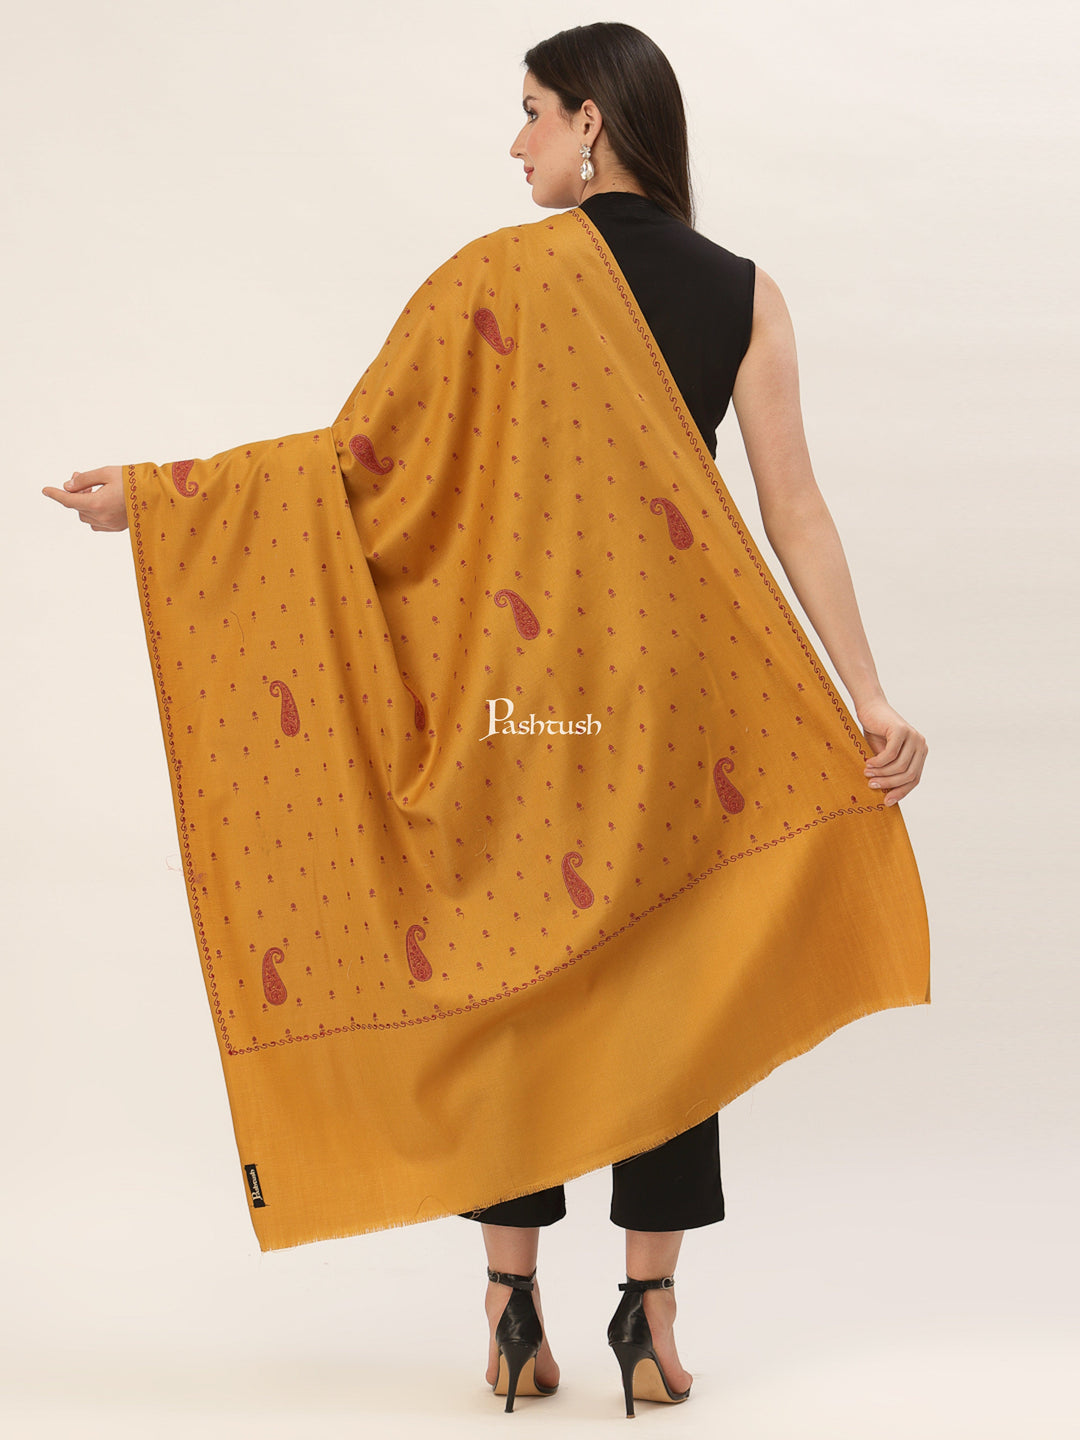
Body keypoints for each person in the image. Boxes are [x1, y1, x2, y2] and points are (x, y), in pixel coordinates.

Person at [43, 21, 927, 1420]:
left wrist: (161, 501)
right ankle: (651, 1319)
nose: (516, 144)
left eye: (530, 113)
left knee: (520, 970)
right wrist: (867, 693)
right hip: (677, 697)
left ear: (592, 123)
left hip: (524, 702)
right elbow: (794, 505)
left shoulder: (499, 277)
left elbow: (355, 472)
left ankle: (512, 1309)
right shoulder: (746, 292)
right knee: (677, 985)